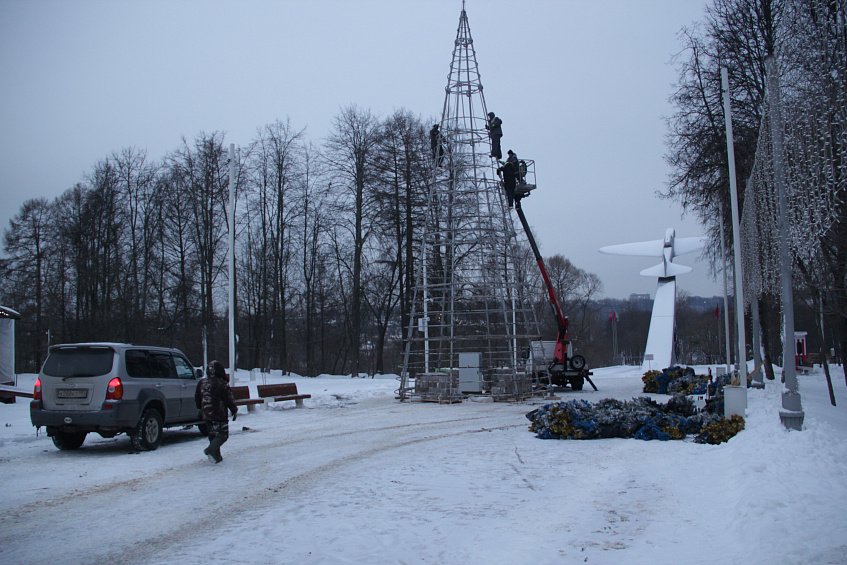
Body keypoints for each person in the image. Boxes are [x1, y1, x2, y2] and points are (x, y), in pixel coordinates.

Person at [195, 359, 238, 464]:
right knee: (222, 435)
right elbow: (229, 399)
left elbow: (197, 397)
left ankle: (216, 457)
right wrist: (234, 410)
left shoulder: (202, 383)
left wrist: (200, 409)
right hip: (219, 413)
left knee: (212, 434)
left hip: (206, 413)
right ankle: (210, 450)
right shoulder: (222, 383)